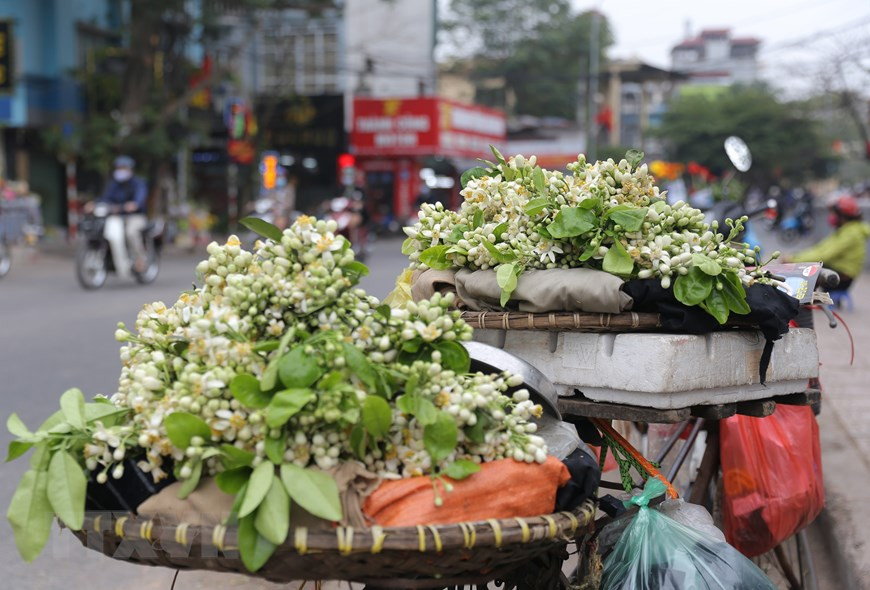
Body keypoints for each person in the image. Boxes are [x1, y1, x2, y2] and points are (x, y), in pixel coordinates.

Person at [789, 195, 870, 292]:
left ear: (842, 216)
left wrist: (793, 260)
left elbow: (824, 255)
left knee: (803, 270)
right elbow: (820, 249)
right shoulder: (846, 230)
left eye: (834, 213)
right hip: (838, 271)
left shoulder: (851, 234)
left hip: (841, 278)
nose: (831, 216)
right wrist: (795, 257)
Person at [86, 156, 148, 275]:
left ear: (130, 169)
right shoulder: (114, 184)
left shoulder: (138, 183)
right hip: (116, 216)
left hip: (135, 217)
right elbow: (105, 199)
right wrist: (94, 204)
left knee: (130, 233)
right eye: (119, 168)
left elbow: (139, 199)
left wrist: (134, 204)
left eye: (123, 168)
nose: (120, 171)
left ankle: (140, 259)